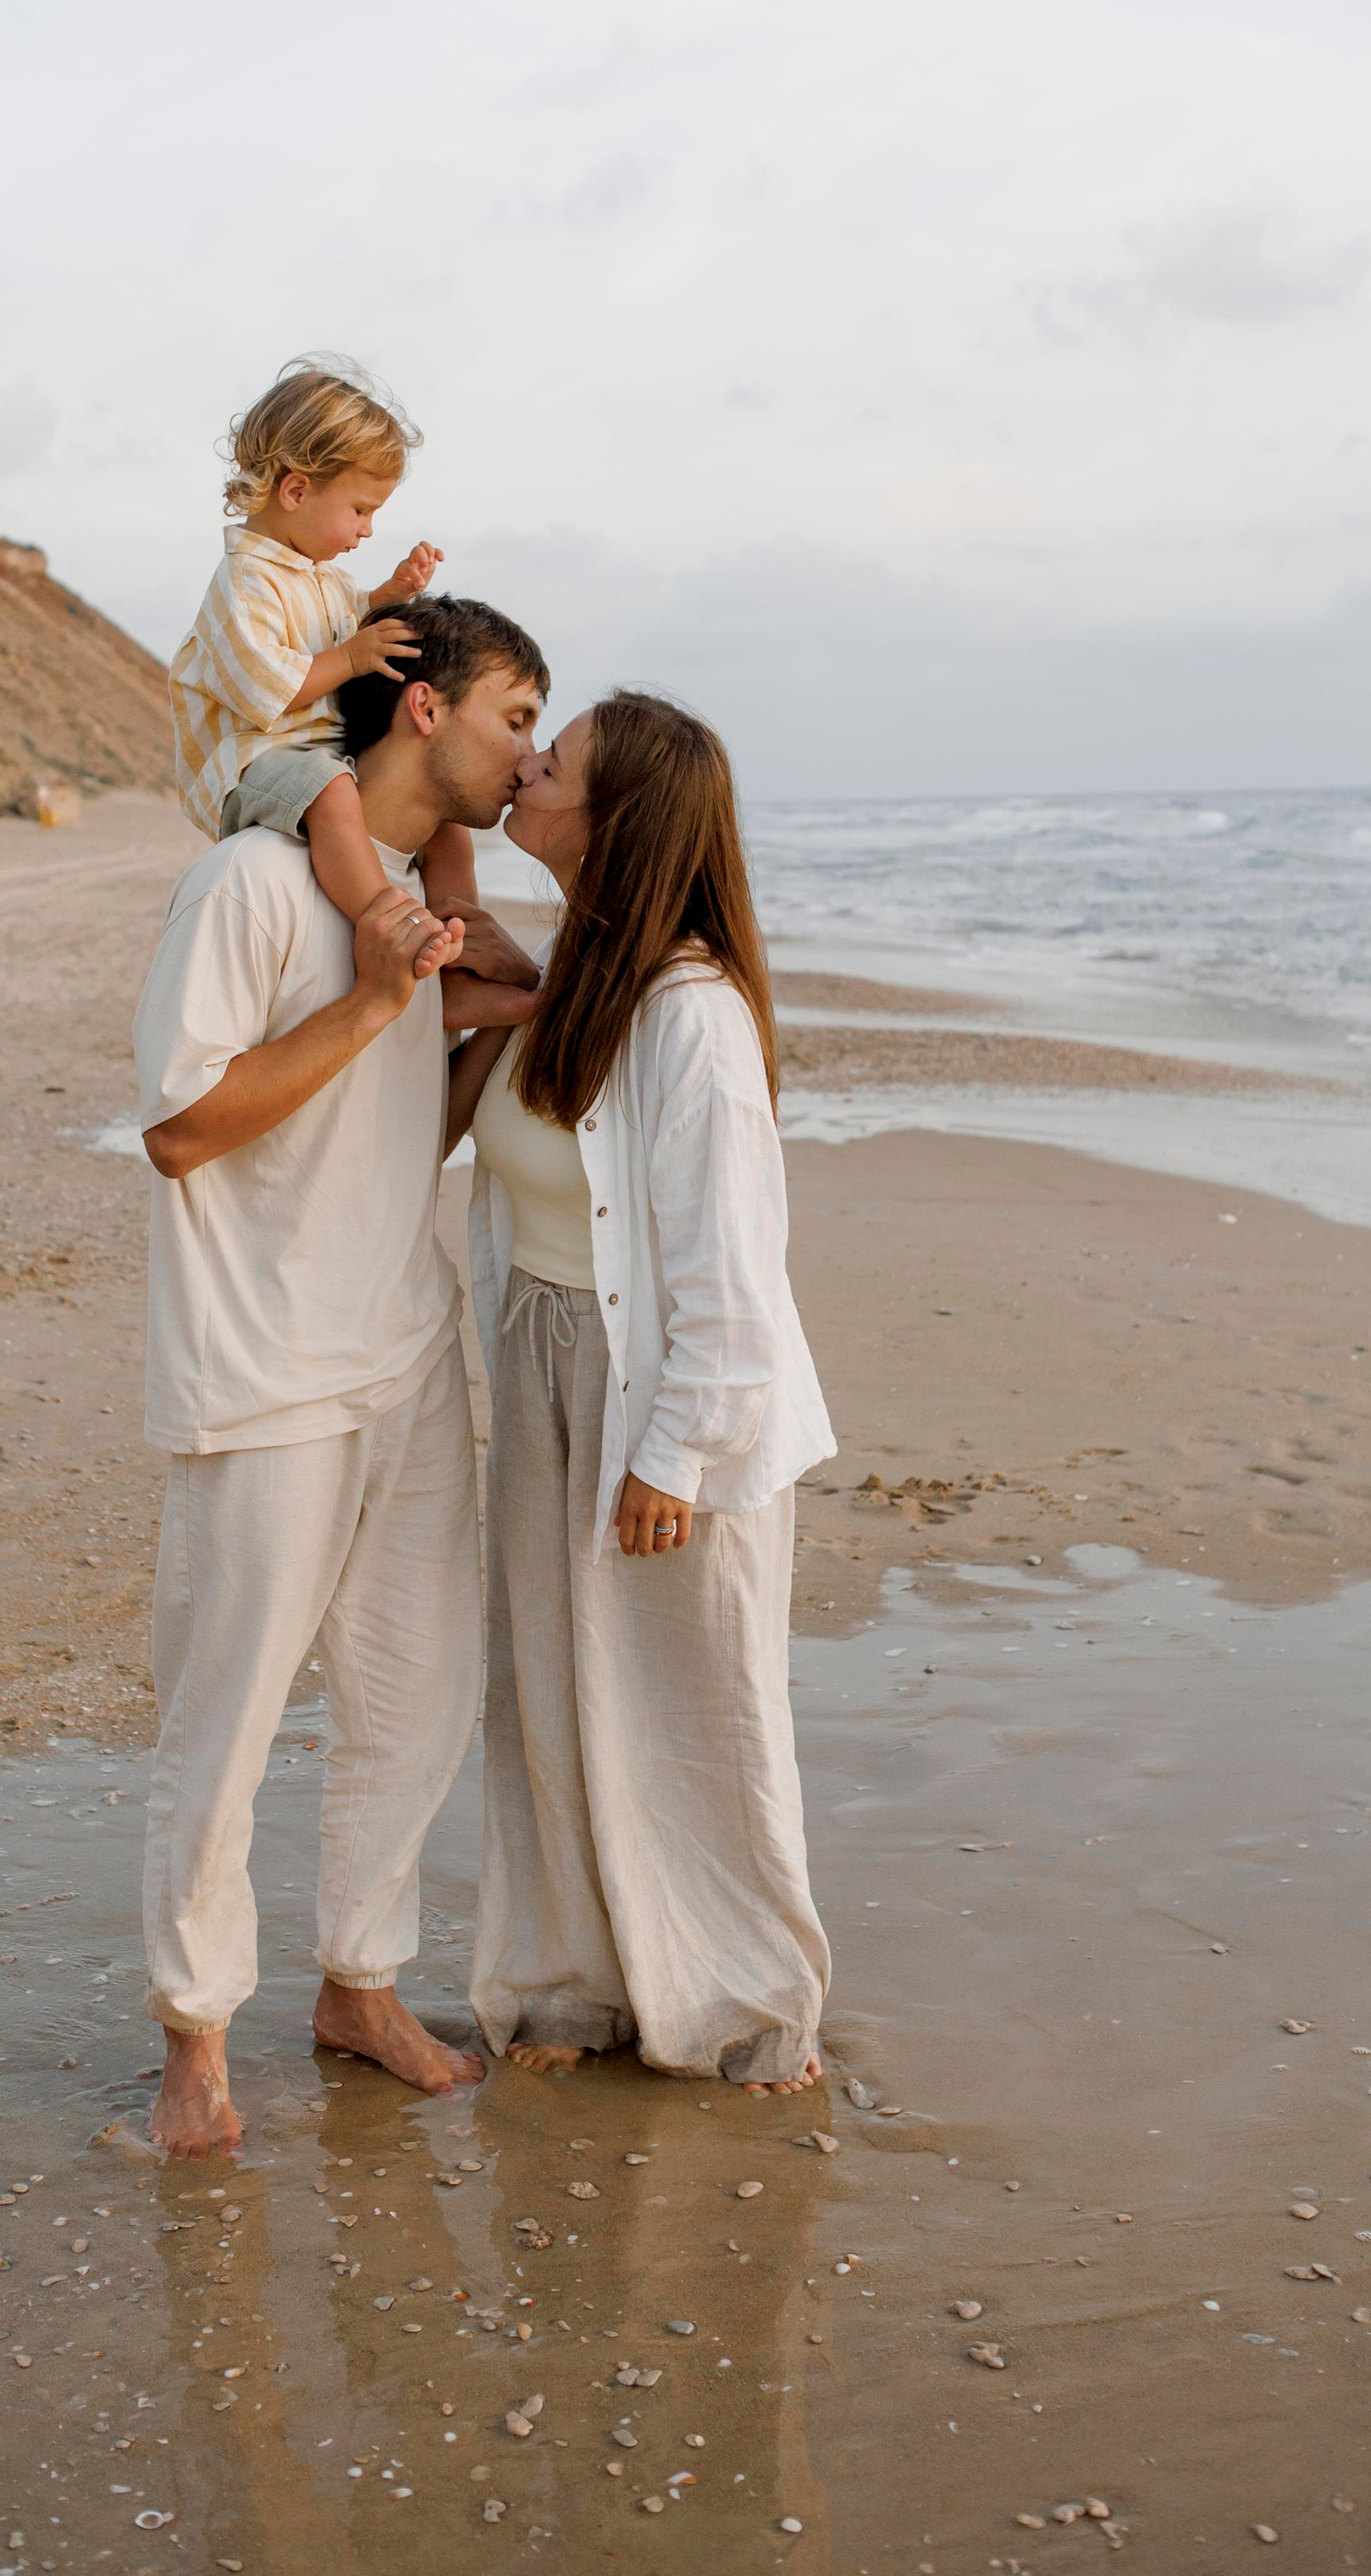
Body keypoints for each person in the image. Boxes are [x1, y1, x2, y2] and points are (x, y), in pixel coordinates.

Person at [133, 594, 550, 2157]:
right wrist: (382, 999)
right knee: (226, 1720)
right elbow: (181, 1132)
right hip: (263, 1377)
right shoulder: (247, 885)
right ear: (423, 707)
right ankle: (193, 2037)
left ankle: (359, 1985)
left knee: (417, 1693)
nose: (527, 756)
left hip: (408, 1349)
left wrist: (464, 1034)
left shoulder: (419, 910)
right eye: (516, 717)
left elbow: (390, 1135)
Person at [449, 690, 833, 2093]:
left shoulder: (690, 1021)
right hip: (544, 1361)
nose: (530, 769)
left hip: (662, 1388)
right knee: (546, 1688)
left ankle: (746, 2011)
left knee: (696, 1703)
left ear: (615, 824)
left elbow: (734, 1279)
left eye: (557, 762)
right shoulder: (576, 976)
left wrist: (673, 1454)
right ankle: (570, 1987)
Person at [166, 355, 537, 1023]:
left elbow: (344, 623)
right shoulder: (245, 583)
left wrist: (390, 595)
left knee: (443, 818)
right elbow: (271, 693)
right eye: (361, 509)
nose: (367, 528)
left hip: (313, 753)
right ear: (297, 491)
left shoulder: (317, 576)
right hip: (256, 760)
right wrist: (351, 652)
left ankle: (461, 945)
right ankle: (382, 916)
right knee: (335, 795)